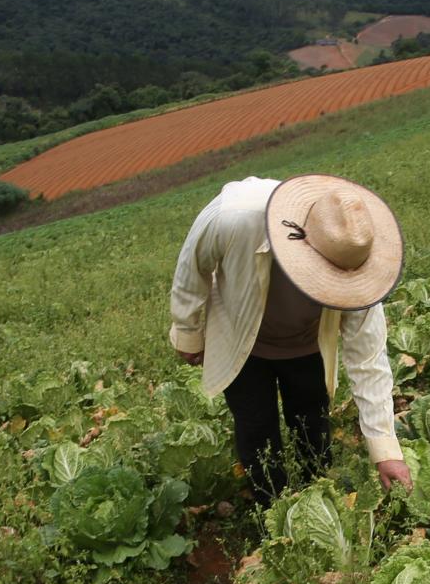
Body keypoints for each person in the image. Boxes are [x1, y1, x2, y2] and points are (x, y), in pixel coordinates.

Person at [169, 174, 413, 504]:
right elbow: (191, 270)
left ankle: (317, 500)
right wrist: (188, 333)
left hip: (306, 341)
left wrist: (386, 451)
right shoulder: (235, 217)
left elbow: (368, 359)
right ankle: (272, 513)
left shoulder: (356, 255)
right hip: (243, 338)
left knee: (312, 421)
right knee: (256, 429)